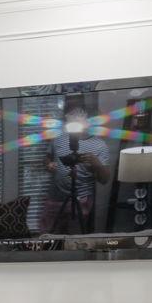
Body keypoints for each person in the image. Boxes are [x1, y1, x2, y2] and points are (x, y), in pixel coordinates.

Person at [43, 93, 111, 234]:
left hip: (81, 200)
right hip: (55, 197)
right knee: (50, 235)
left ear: (88, 119)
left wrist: (96, 163)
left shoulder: (99, 145)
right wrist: (49, 164)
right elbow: (48, 157)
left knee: (75, 238)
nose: (75, 118)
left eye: (80, 114)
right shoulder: (59, 137)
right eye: (71, 114)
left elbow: (104, 180)